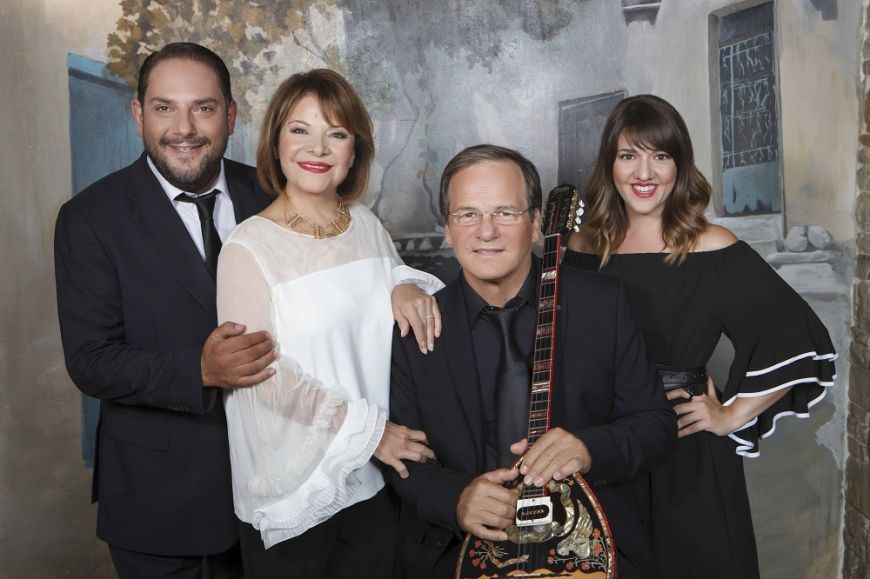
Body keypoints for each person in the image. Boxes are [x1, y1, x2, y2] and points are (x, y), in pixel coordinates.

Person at [54, 45, 435, 579]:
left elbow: (346, 258)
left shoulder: (280, 184)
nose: (184, 128)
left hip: (299, 478)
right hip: (165, 496)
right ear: (139, 115)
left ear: (231, 116)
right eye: (164, 108)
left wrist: (401, 282)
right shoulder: (91, 218)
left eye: (204, 108)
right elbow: (91, 360)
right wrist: (198, 369)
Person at [564, 94, 837, 578]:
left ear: (679, 165)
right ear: (610, 165)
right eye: (628, 156)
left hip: (683, 450)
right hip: (599, 446)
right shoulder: (581, 247)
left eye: (660, 156)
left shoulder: (712, 247)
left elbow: (796, 337)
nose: (644, 173)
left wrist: (731, 414)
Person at [388, 144, 677, 578]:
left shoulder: (602, 304)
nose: (486, 232)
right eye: (468, 214)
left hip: (588, 547)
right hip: (458, 550)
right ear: (448, 229)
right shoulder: (418, 327)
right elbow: (406, 459)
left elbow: (655, 424)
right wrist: (457, 499)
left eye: (505, 213)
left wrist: (588, 448)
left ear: (537, 222)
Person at [216, 69, 444, 578]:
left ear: (354, 149)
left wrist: (403, 284)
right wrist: (370, 434)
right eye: (300, 130)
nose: (317, 148)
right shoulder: (247, 247)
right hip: (300, 491)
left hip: (376, 482)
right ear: (275, 141)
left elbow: (383, 303)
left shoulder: (365, 224)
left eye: (336, 133)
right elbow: (263, 377)